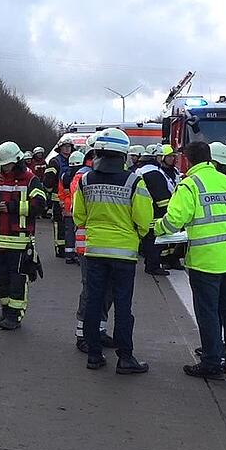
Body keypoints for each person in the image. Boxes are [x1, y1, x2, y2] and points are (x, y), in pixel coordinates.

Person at [156, 142, 226, 379]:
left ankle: (211, 362)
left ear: (187, 160)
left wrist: (157, 228)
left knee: (207, 312)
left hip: (206, 259)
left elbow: (175, 219)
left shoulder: (190, 185)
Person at [73, 128, 154, 374]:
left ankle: (94, 356)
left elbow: (79, 217)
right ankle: (125, 357)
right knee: (122, 306)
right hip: (124, 254)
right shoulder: (134, 181)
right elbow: (144, 217)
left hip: (95, 251)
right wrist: (136, 235)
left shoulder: (86, 180)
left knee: (94, 303)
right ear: (124, 154)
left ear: (98, 152)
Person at [0, 141, 47, 330]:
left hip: (20, 241)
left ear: (16, 161)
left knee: (17, 280)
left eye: (6, 164)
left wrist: (12, 208)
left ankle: (14, 316)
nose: (3, 167)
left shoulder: (31, 180)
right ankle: (6, 310)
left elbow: (40, 205)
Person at [71, 134, 116, 352]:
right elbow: (79, 212)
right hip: (87, 243)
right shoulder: (84, 176)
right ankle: (83, 334)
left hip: (104, 243)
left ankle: (99, 330)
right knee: (91, 290)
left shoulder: (100, 176)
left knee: (107, 290)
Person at [135, 144, 172, 276]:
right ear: (156, 157)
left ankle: (150, 264)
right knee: (154, 240)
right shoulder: (154, 173)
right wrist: (166, 212)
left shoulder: (142, 170)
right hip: (156, 211)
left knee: (148, 239)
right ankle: (153, 266)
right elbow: (161, 196)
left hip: (146, 209)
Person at [43, 139, 74, 258]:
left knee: (71, 225)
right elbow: (47, 180)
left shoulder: (73, 159)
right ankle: (60, 248)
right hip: (58, 199)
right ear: (60, 148)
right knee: (59, 224)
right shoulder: (55, 161)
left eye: (69, 146)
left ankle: (69, 247)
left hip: (71, 199)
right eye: (64, 147)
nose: (67, 149)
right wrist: (52, 192)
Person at [58, 150, 85, 265]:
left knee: (69, 232)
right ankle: (80, 255)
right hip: (79, 208)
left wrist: (63, 203)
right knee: (80, 232)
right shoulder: (83, 175)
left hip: (68, 207)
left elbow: (60, 192)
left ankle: (69, 255)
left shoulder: (64, 175)